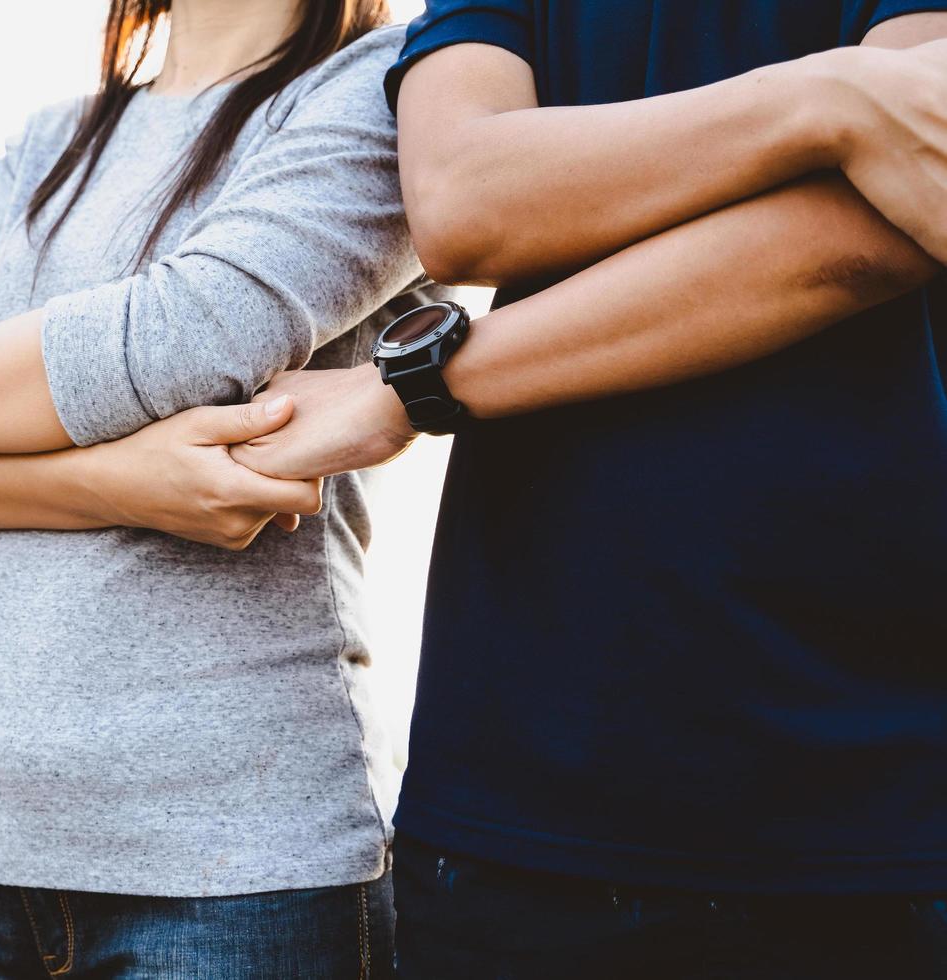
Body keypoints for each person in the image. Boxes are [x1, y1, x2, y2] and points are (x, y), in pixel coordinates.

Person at [215, 3, 947, 976]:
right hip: (520, 784)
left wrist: (414, 388)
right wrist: (826, 99)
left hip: (866, 792)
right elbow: (465, 203)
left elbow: (884, 222)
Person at [0, 0, 438, 973]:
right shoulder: (55, 132)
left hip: (233, 856)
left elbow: (195, 331)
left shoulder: (385, 80)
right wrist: (123, 479)